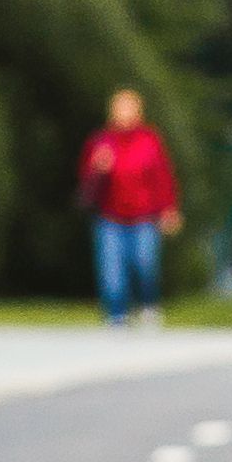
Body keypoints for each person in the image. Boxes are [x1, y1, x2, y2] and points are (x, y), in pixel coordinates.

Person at [77, 91, 182, 325]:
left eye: (128, 108)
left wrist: (168, 208)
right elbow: (85, 182)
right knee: (112, 272)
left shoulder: (150, 140)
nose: (124, 113)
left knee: (145, 263)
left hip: (143, 216)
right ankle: (116, 316)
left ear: (138, 111)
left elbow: (162, 177)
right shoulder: (101, 141)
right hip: (110, 216)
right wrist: (97, 168)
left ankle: (148, 305)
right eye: (119, 108)